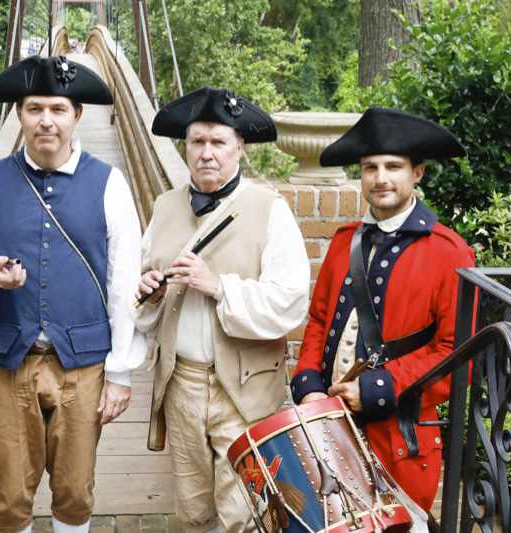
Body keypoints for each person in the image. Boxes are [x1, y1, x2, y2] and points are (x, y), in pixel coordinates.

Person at [0, 55, 147, 533]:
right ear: (19, 114)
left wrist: (120, 373)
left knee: (75, 491)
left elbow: (124, 282)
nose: (46, 120)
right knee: (9, 495)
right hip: (9, 360)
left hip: (84, 363)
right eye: (35, 108)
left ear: (78, 115)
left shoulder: (110, 184)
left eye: (58, 109)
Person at [133, 86, 311, 533]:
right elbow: (141, 290)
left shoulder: (269, 209)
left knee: (246, 514)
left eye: (218, 142)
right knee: (194, 510)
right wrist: (150, 294)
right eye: (197, 141)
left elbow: (291, 302)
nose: (206, 153)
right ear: (185, 147)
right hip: (181, 383)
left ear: (239, 146)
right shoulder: (164, 206)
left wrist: (219, 287)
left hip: (246, 387)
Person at [291, 107, 475, 530]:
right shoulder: (343, 242)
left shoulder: (449, 252)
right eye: (370, 167)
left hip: (399, 442)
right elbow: (319, 320)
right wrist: (310, 386)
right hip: (327, 425)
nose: (380, 178)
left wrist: (379, 388)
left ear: (417, 173)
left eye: (394, 167)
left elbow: (456, 355)